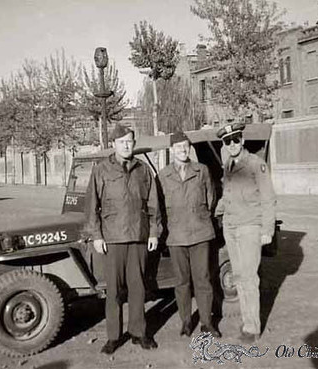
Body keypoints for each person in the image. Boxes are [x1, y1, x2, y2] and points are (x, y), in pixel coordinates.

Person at [85, 124, 160, 355]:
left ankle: (139, 332)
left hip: (138, 236)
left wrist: (154, 232)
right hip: (113, 239)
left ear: (133, 144)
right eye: (122, 142)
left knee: (138, 288)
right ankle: (114, 337)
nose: (126, 146)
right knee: (114, 291)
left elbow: (153, 204)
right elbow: (91, 207)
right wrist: (97, 236)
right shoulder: (101, 169)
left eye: (129, 141)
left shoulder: (143, 170)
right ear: (114, 144)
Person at [215, 122, 276, 344]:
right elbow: (227, 195)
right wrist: (214, 211)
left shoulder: (256, 165)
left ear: (242, 140)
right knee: (239, 277)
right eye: (226, 141)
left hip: (249, 227)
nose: (232, 144)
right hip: (231, 227)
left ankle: (252, 327)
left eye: (235, 139)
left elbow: (268, 198)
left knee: (249, 278)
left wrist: (267, 230)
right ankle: (247, 320)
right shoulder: (228, 165)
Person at [158, 131, 221, 339]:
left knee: (203, 280)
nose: (182, 150)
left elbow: (211, 199)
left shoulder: (201, 170)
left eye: (185, 146)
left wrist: (199, 216)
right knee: (182, 281)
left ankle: (207, 322)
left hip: (200, 233)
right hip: (176, 236)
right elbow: (158, 206)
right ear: (171, 150)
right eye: (178, 147)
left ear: (189, 148)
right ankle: (186, 321)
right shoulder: (163, 175)